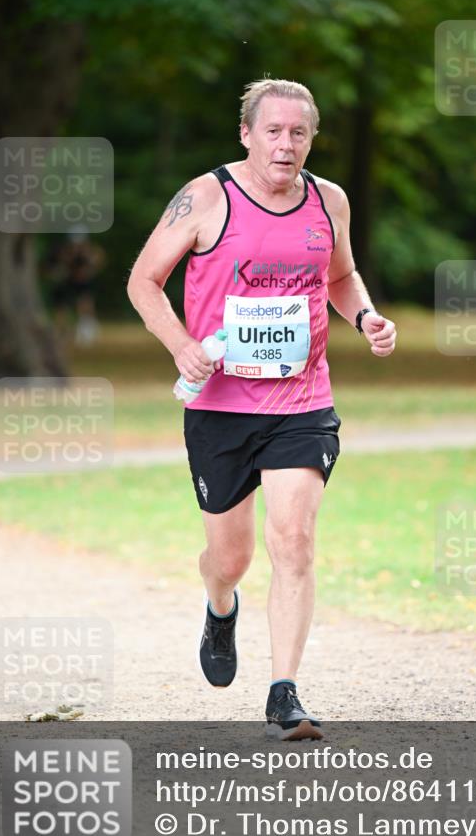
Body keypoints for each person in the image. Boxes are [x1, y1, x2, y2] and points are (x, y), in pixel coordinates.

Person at [127, 78, 396, 740]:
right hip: (220, 407)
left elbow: (339, 275)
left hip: (301, 401)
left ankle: (284, 692)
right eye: (272, 131)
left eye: (297, 133)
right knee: (230, 557)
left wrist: (364, 317)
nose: (285, 144)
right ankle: (221, 607)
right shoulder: (204, 197)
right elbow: (142, 280)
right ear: (246, 134)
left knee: (295, 541)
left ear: (311, 138)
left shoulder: (327, 200)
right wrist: (182, 346)